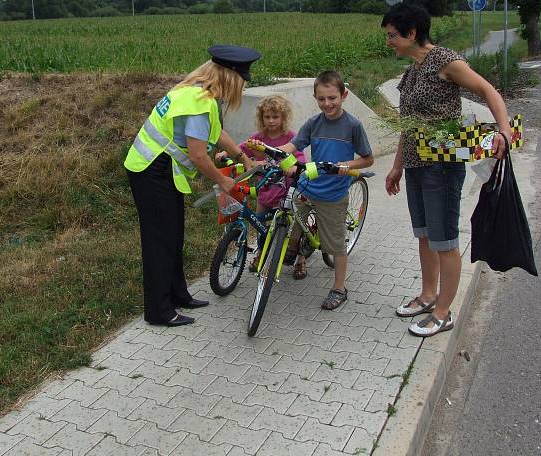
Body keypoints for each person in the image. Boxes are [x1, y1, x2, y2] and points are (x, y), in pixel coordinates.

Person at [381, 3, 511, 337]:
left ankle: (443, 312)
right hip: (415, 165)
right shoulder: (412, 71)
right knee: (424, 233)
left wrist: (503, 130)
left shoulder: (444, 61)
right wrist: (397, 166)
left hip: (442, 166)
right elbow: (407, 125)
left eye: (392, 36)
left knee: (445, 240)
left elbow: (487, 90)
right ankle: (428, 295)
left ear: (411, 33)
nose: (389, 42)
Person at [124, 45, 260, 327]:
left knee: (173, 235)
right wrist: (223, 180)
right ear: (231, 78)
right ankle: (159, 311)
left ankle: (178, 295)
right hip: (151, 170)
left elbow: (216, 131)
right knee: (159, 240)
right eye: (242, 84)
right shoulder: (198, 102)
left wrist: (242, 157)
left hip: (159, 169)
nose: (241, 89)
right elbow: (198, 155)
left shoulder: (196, 92)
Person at [252, 70, 374, 310]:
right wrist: (270, 152)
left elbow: (367, 159)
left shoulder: (352, 126)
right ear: (315, 98)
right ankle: (295, 248)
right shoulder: (313, 123)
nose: (327, 103)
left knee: (336, 245)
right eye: (321, 99)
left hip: (333, 193)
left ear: (343, 95)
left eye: (332, 98)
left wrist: (346, 165)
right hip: (309, 185)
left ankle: (340, 288)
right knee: (292, 209)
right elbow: (292, 145)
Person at [217, 95, 306, 277]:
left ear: (283, 117)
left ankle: (301, 260)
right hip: (265, 190)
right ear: (261, 118)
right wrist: (226, 152)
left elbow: (300, 157)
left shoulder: (290, 137)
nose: (271, 121)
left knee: (295, 228)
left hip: (285, 192)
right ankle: (260, 254)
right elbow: (241, 148)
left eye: (275, 117)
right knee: (259, 223)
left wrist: (294, 166)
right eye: (267, 117)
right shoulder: (258, 138)